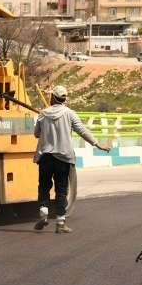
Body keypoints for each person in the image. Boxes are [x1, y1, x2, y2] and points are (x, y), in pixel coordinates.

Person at [33, 85, 110, 234]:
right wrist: (97, 144)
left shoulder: (43, 114)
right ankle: (60, 223)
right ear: (64, 99)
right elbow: (82, 130)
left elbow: (36, 134)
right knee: (61, 190)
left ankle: (43, 212)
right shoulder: (70, 114)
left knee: (44, 186)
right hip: (63, 158)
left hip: (45, 157)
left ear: (52, 97)